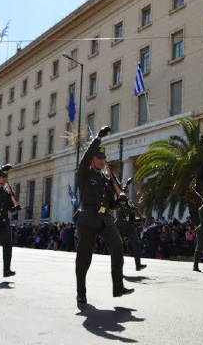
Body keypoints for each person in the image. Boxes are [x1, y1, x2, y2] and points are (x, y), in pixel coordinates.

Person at [75, 126, 133, 304]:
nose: (102, 161)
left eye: (104, 158)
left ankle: (118, 286)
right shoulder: (84, 174)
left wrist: (120, 200)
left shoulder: (105, 179)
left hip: (105, 220)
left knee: (117, 245)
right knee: (85, 258)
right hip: (88, 220)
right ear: (93, 159)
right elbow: (85, 158)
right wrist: (98, 138)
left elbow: (110, 203)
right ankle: (81, 291)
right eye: (99, 158)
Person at [115, 188, 146, 271]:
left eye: (127, 192)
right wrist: (134, 209)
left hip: (129, 227)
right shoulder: (120, 201)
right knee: (118, 247)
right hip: (120, 227)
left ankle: (138, 265)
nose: (127, 194)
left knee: (136, 244)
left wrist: (140, 220)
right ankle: (118, 267)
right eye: (125, 192)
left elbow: (131, 218)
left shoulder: (130, 203)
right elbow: (123, 208)